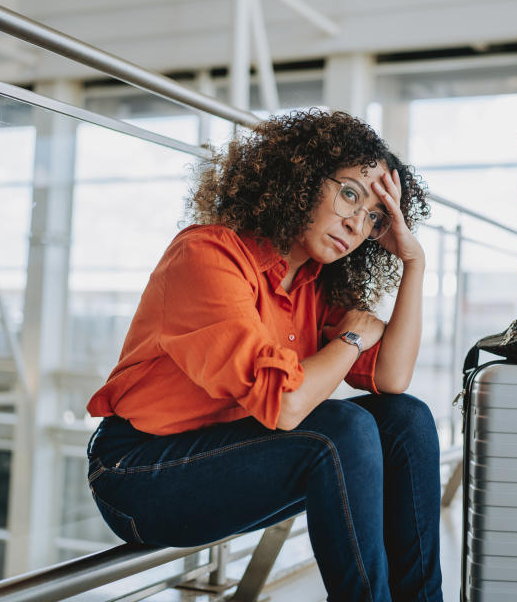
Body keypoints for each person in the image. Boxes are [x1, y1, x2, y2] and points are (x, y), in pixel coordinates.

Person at [84, 109, 442, 602]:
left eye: (375, 218)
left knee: (405, 418)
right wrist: (350, 339)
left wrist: (413, 260)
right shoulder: (206, 257)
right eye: (350, 194)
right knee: (342, 429)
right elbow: (290, 404)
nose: (356, 223)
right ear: (301, 179)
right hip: (137, 475)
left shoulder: (315, 282)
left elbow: (393, 377)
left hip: (232, 451)